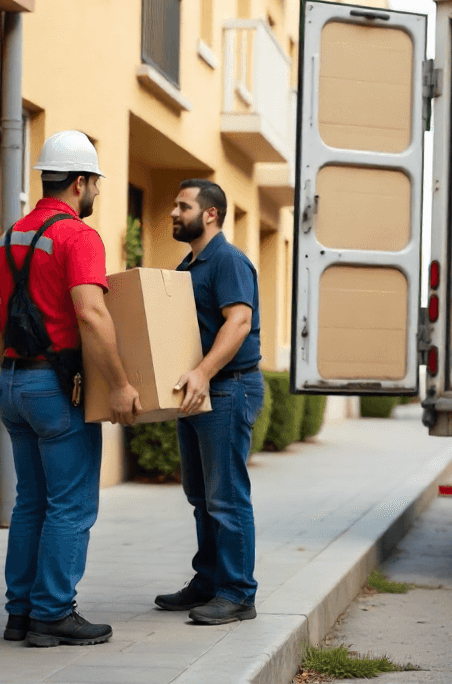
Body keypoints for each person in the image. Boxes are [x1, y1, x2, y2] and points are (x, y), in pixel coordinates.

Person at [0, 130, 141, 647]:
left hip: (12, 382)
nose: (95, 192)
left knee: (31, 501)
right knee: (71, 505)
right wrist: (119, 386)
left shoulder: (7, 238)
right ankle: (52, 612)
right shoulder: (78, 237)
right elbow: (91, 314)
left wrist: (12, 376)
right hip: (55, 387)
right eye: (94, 183)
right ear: (80, 182)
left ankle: (20, 613)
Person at [155, 179, 265, 625]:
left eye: (183, 206)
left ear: (211, 214)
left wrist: (202, 373)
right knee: (200, 496)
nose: (174, 213)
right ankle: (208, 581)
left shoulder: (228, 260)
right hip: (199, 391)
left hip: (227, 388)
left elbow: (239, 321)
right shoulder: (189, 264)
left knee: (226, 498)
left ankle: (238, 593)